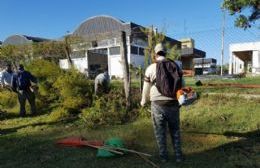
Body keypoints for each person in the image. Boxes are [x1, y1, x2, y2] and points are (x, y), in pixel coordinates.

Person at [140, 43, 184, 163]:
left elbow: (146, 88)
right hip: (173, 104)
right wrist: (180, 100)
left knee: (160, 132)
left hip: (157, 105)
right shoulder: (176, 66)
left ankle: (164, 157)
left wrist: (143, 101)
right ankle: (178, 156)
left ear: (155, 54)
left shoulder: (150, 68)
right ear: (165, 53)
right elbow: (182, 85)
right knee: (175, 130)